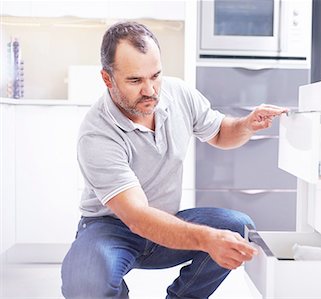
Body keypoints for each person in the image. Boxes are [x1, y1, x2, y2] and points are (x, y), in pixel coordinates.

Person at [61, 21, 287, 299]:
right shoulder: (97, 133)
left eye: (155, 76)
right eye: (135, 80)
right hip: (111, 228)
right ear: (108, 79)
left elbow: (220, 133)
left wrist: (247, 124)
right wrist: (206, 239)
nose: (151, 90)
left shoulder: (177, 94)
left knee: (236, 227)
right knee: (85, 284)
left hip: (165, 223)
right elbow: (136, 217)